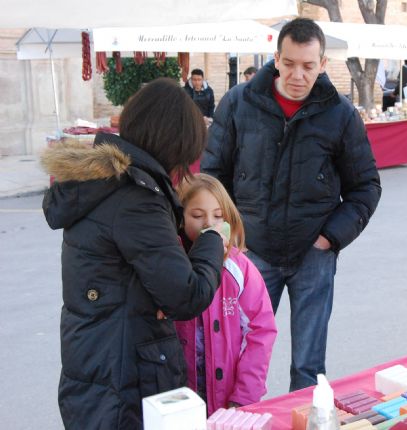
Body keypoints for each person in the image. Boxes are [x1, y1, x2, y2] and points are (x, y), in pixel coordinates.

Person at [202, 17, 382, 391]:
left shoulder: (341, 114)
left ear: (322, 65)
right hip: (251, 254)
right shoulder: (239, 103)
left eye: (308, 65)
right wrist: (230, 235)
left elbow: (365, 187)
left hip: (312, 256)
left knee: (308, 365)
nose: (297, 74)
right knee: (238, 358)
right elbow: (213, 178)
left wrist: (329, 239)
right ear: (276, 59)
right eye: (289, 63)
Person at [41, 78, 225, 429]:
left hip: (95, 364)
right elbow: (186, 295)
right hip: (125, 378)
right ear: (174, 144)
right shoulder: (136, 200)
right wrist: (212, 239)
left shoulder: (99, 186)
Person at [174, 173, 277, 415]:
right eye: (197, 216)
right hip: (178, 396)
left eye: (218, 216)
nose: (209, 223)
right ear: (180, 217)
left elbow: (261, 330)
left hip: (227, 398)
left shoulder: (239, 269)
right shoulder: (171, 265)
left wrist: (245, 395)